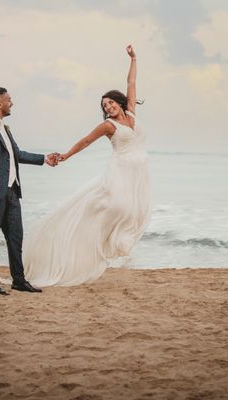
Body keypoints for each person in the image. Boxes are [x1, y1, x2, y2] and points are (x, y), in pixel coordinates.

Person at [23, 45, 152, 286]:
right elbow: (85, 141)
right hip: (121, 171)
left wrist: (134, 59)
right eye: (105, 106)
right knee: (117, 206)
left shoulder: (132, 113)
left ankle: (115, 244)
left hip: (138, 174)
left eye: (111, 103)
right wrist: (66, 156)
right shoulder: (108, 126)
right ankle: (97, 242)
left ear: (119, 102)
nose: (108, 107)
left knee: (138, 211)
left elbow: (131, 83)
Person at [0, 87, 60, 295]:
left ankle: (19, 280)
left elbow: (16, 154)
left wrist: (44, 159)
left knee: (16, 238)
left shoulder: (5, 128)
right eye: (10, 100)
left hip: (12, 192)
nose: (13, 103)